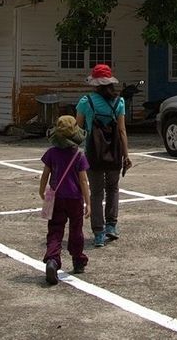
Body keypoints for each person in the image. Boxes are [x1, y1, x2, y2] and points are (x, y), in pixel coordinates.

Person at [75, 63, 132, 247]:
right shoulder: (119, 102)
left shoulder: (86, 102)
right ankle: (111, 226)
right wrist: (126, 155)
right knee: (113, 189)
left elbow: (77, 129)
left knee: (96, 193)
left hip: (93, 153)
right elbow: (122, 131)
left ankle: (98, 233)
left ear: (95, 83)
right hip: (115, 152)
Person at [39, 114, 91, 285]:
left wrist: (42, 191)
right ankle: (78, 260)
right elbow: (83, 180)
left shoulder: (51, 153)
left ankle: (53, 259)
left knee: (55, 229)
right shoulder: (79, 156)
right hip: (75, 198)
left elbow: (45, 174)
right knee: (76, 229)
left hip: (56, 198)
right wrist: (88, 202)